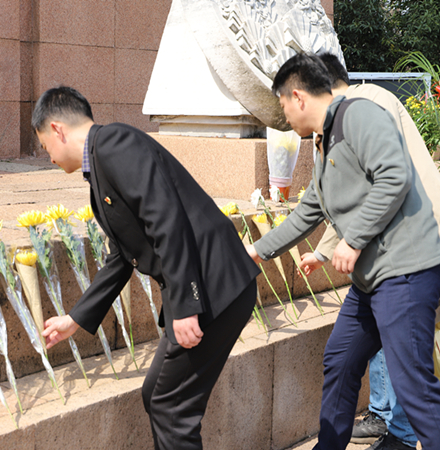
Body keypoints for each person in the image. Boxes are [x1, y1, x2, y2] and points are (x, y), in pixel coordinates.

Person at [34, 86, 260, 449]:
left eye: (46, 147)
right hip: (209, 286)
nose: (49, 158)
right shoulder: (101, 163)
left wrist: (187, 306)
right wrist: (74, 319)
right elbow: (122, 257)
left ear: (58, 129)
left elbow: (166, 219)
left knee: (169, 404)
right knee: (159, 394)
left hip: (213, 286)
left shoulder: (114, 144)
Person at [245, 53, 440, 450]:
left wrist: (352, 242)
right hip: (372, 281)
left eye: (282, 105)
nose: (284, 118)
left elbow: (395, 176)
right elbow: (308, 213)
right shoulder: (324, 140)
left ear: (298, 97)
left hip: (402, 272)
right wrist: (257, 251)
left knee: (414, 388)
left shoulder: (359, 115)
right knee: (341, 358)